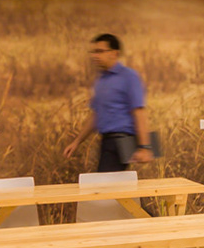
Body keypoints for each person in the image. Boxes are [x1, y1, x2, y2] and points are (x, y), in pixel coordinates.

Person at [63, 33, 156, 172]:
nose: (95, 56)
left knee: (106, 183)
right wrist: (76, 142)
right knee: (109, 183)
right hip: (107, 141)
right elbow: (96, 116)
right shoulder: (100, 81)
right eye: (94, 52)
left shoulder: (129, 77)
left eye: (100, 51)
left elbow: (139, 112)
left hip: (123, 140)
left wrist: (145, 147)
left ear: (114, 53)